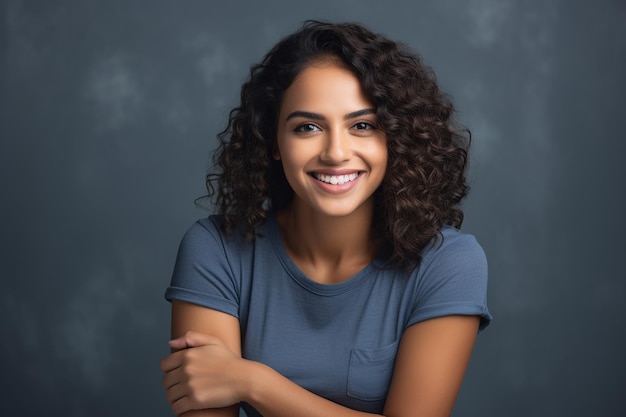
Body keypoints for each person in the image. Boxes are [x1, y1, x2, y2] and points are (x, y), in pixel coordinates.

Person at [160, 20, 492, 417]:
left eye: (363, 126)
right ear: (275, 143)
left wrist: (253, 381)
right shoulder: (216, 249)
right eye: (308, 127)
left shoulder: (448, 263)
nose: (336, 152)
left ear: (394, 140)